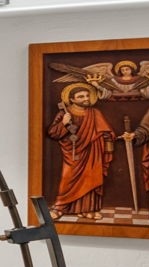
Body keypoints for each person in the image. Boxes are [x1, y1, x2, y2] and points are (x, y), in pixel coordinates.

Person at [47, 84, 115, 218]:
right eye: (81, 96)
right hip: (72, 152)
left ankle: (88, 209)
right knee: (68, 179)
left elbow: (106, 131)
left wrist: (107, 141)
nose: (86, 98)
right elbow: (53, 133)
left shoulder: (95, 113)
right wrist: (64, 123)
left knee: (91, 178)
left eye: (87, 95)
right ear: (72, 99)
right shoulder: (64, 113)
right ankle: (60, 208)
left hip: (93, 152)